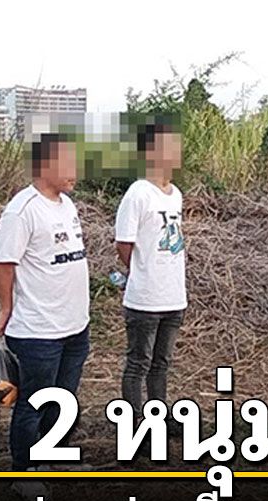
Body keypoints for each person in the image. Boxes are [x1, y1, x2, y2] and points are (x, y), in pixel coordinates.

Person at [0, 133, 90, 501]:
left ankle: (51, 456)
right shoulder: (22, 210)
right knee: (33, 402)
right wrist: (6, 308)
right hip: (38, 330)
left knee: (62, 398)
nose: (75, 170)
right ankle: (24, 473)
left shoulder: (67, 205)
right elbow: (3, 263)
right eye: (68, 163)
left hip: (75, 325)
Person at [114, 122, 187, 419]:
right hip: (145, 299)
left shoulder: (175, 194)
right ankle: (133, 422)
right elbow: (124, 243)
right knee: (138, 363)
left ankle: (159, 416)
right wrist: (141, 272)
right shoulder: (138, 194)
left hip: (174, 296)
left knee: (161, 363)